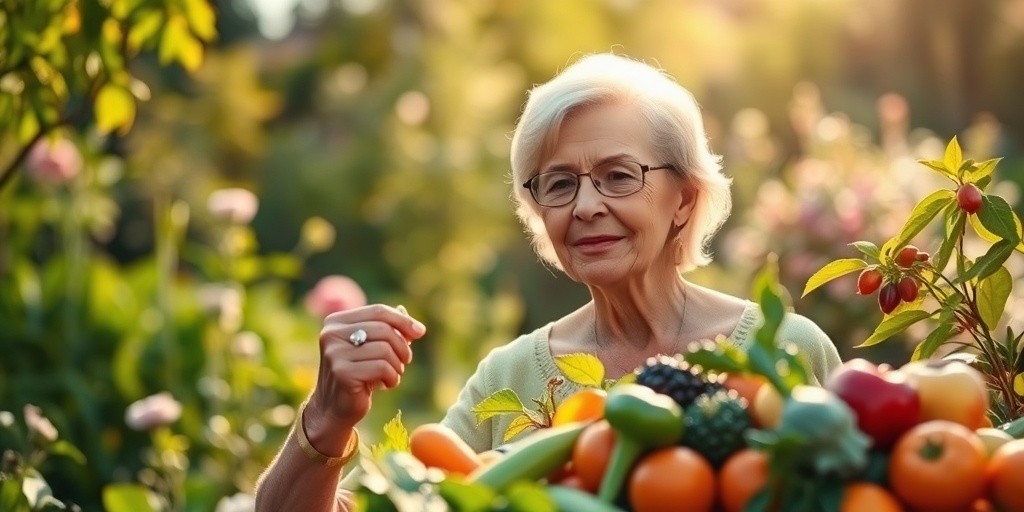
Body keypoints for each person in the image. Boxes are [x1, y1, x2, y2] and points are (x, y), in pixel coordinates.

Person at [253, 52, 843, 511]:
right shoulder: (509, 379)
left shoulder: (786, 351)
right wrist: (327, 418)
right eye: (558, 184)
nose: (584, 206)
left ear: (684, 199)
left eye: (619, 175)